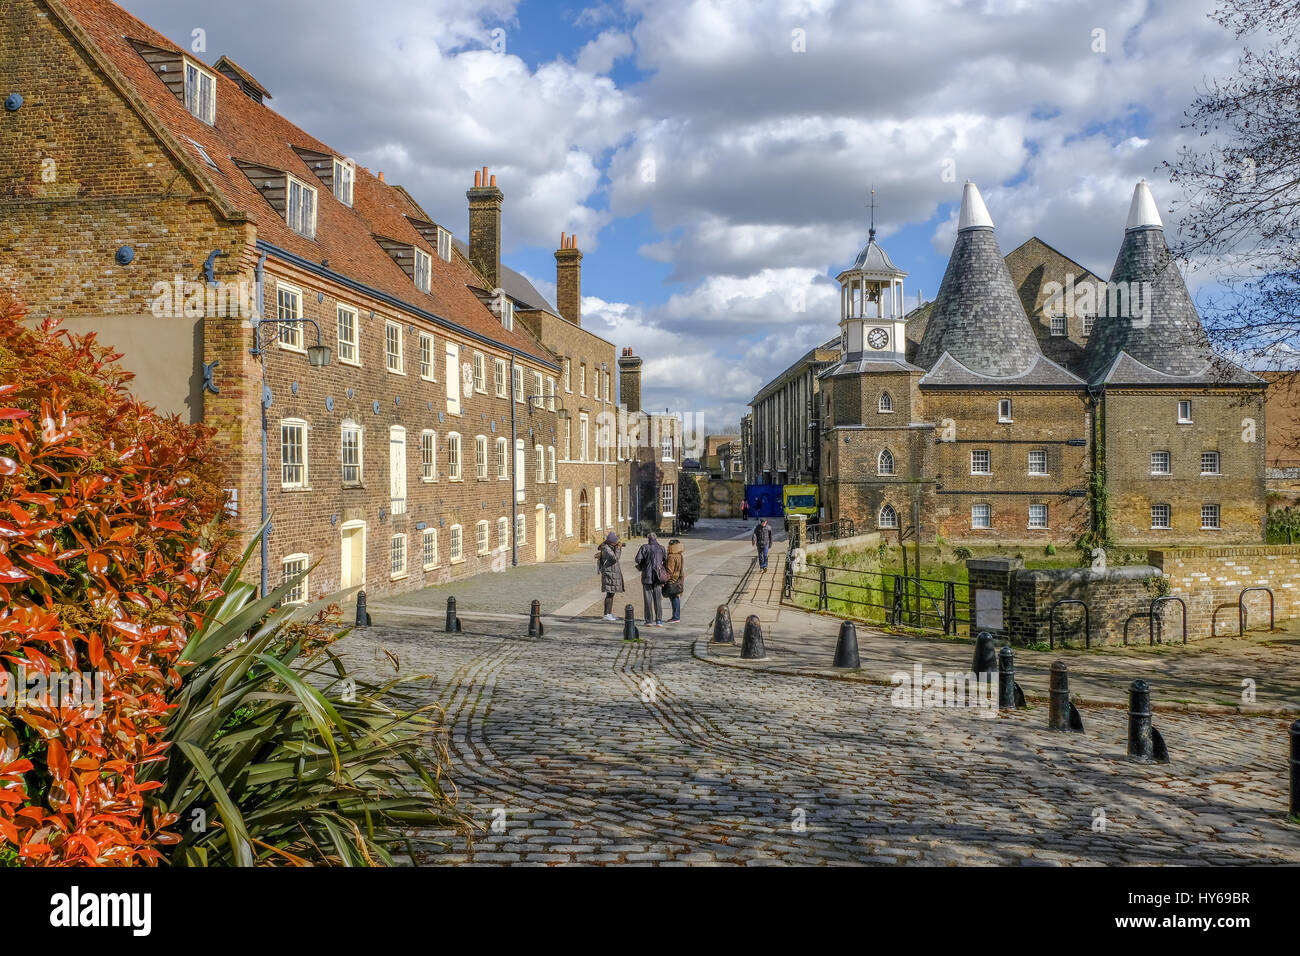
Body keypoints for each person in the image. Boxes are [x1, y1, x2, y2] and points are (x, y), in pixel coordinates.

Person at [634, 532, 667, 627]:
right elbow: (665, 558)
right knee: (658, 600)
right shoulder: (661, 548)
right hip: (658, 576)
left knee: (648, 599)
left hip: (647, 576)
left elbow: (637, 559)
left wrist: (644, 563)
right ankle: (659, 620)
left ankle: (649, 620)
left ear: (648, 539)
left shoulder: (644, 547)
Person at [596, 531, 624, 622]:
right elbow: (615, 558)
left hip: (612, 573)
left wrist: (617, 547)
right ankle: (606, 614)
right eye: (615, 542)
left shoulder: (609, 547)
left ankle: (609, 613)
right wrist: (618, 548)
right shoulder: (606, 548)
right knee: (609, 594)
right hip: (609, 574)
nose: (617, 543)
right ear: (611, 542)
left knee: (611, 594)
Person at [664, 538, 685, 624]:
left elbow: (669, 570)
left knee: (674, 598)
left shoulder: (671, 556)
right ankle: (676, 616)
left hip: (672, 580)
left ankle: (676, 617)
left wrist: (665, 579)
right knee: (676, 597)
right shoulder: (680, 555)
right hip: (679, 578)